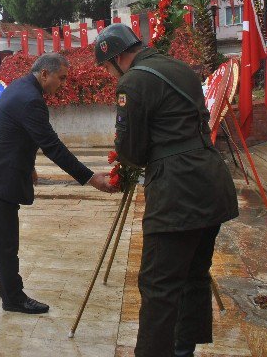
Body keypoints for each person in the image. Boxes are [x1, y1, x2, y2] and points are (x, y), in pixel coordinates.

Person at [94, 24, 239, 357]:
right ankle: (183, 349)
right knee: (194, 274)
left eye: (105, 66)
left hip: (177, 192)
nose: (107, 73)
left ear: (116, 57)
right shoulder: (177, 67)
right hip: (211, 182)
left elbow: (130, 149)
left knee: (158, 285)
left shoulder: (133, 81)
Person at [0, 53, 116, 314]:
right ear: (45, 74)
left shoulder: (22, 87)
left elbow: (20, 133)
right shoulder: (30, 98)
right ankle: (14, 298)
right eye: (61, 78)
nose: (63, 84)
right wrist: (90, 178)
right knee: (6, 239)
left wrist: (30, 165)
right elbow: (51, 145)